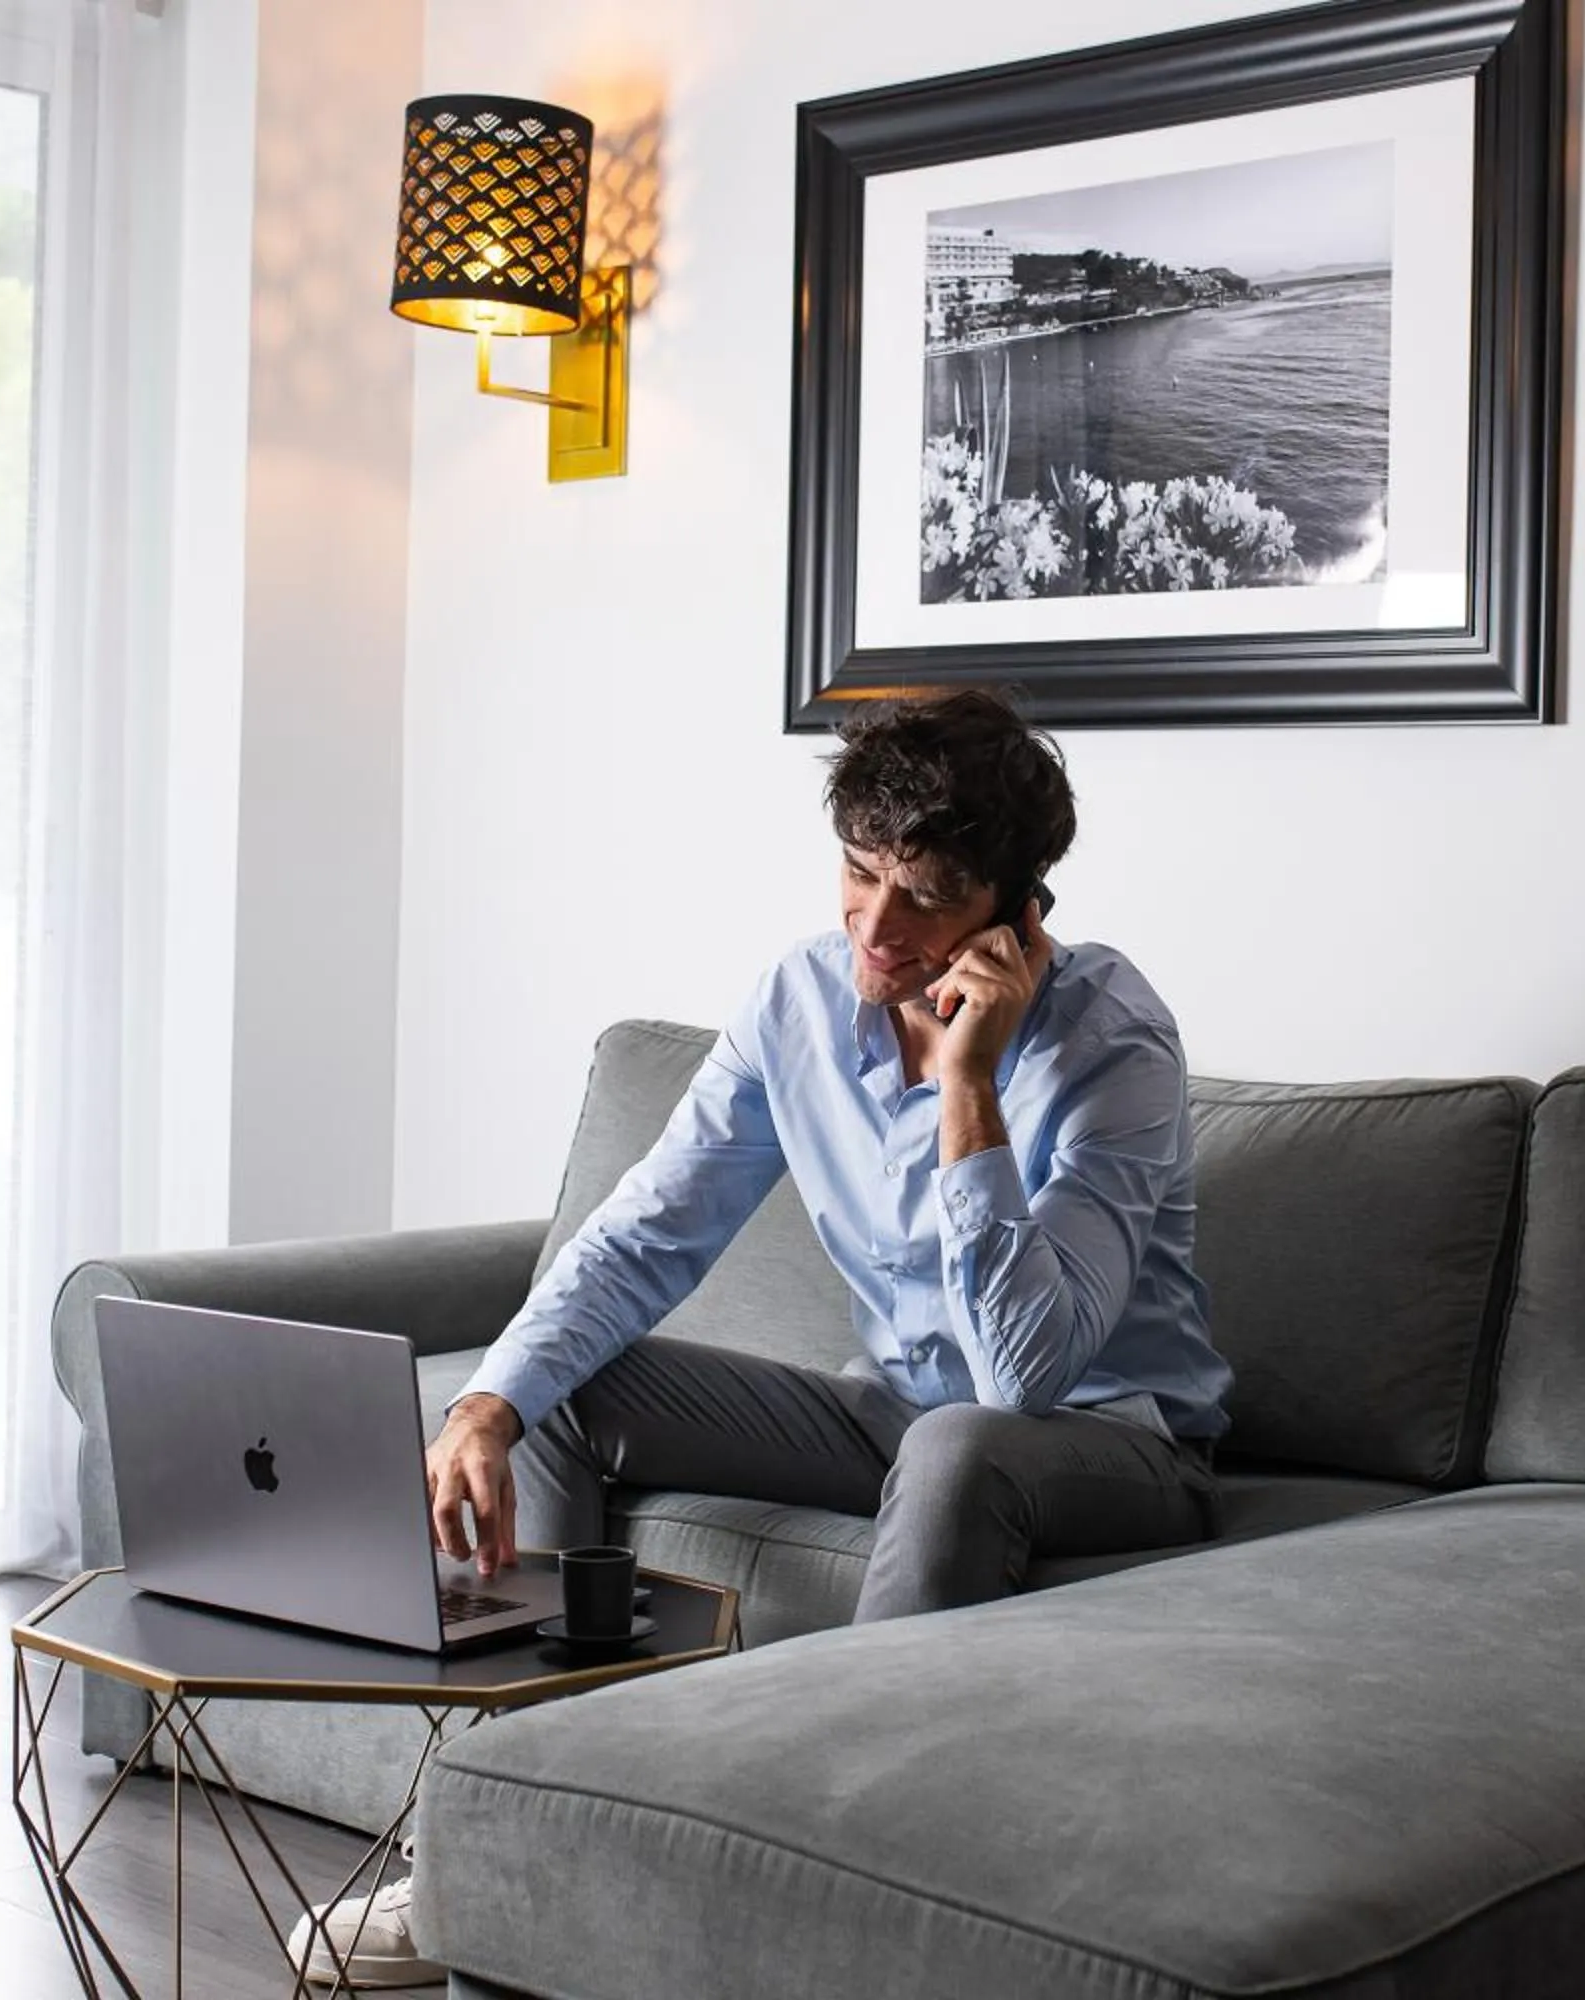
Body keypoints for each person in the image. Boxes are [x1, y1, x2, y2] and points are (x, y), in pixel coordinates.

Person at [293, 687, 1231, 1986]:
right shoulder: (797, 1003)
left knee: (963, 1441)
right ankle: (519, 1847)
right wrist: (487, 1405)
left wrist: (968, 1089)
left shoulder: (1111, 1040)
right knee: (563, 1390)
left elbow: (1027, 1376)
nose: (877, 929)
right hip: (892, 1417)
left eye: (924, 896)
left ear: (1018, 914)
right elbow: (645, 1236)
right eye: (858, 875)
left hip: (1114, 1447)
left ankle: (831, 1915)